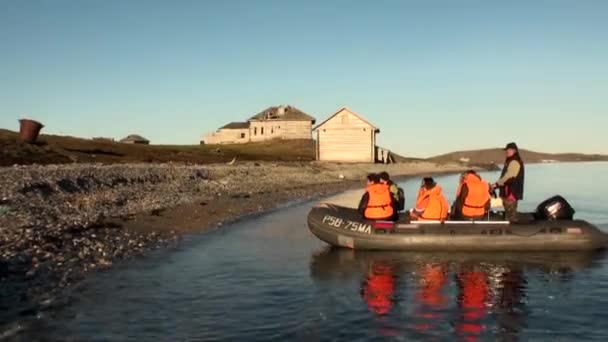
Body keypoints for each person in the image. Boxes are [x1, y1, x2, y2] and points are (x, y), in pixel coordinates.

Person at [492, 142, 525, 221]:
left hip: (511, 192)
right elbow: (506, 177)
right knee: (509, 213)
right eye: (507, 150)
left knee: (511, 216)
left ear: (514, 151)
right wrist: (497, 185)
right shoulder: (510, 161)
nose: (507, 151)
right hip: (509, 192)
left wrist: (496, 184)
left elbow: (508, 177)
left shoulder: (514, 162)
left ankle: (513, 231)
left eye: (509, 150)